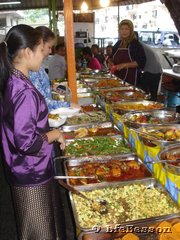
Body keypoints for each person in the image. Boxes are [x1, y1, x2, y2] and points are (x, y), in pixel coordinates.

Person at [0, 24, 66, 240]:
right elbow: (26, 143)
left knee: (46, 224)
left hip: (28, 168)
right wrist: (53, 134)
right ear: (28, 52)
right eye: (41, 51)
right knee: (39, 231)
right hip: (31, 171)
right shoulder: (24, 91)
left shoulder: (14, 81)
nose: (44, 56)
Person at [29, 26, 69, 112]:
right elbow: (41, 102)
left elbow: (40, 89)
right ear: (40, 44)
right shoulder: (32, 70)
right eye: (49, 47)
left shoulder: (39, 66)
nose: (50, 51)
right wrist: (68, 105)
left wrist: (51, 88)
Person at [109, 19, 146, 85]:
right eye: (122, 29)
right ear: (119, 30)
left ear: (131, 30)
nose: (124, 31)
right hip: (118, 77)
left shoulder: (135, 44)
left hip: (131, 79)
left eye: (127, 29)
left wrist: (124, 65)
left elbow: (141, 62)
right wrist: (110, 62)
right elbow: (111, 56)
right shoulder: (119, 43)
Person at [136, 36, 163, 101]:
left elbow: (137, 62)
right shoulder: (142, 44)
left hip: (150, 70)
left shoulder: (137, 46)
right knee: (153, 95)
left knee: (143, 94)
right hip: (157, 70)